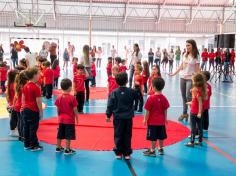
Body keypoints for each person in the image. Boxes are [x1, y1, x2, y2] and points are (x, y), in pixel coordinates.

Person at [106, 72, 136, 160]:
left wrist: (108, 115)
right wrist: (136, 88)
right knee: (127, 134)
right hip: (128, 118)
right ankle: (127, 153)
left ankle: (118, 153)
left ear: (116, 81)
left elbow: (110, 105)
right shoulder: (131, 91)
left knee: (118, 134)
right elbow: (138, 97)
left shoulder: (114, 92)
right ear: (127, 81)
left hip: (118, 118)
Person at [169, 39, 200, 121]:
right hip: (182, 77)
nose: (187, 47)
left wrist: (199, 81)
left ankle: (193, 113)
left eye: (188, 45)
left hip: (190, 78)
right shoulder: (185, 54)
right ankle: (185, 113)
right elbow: (181, 66)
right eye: (186, 45)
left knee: (188, 96)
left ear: (193, 46)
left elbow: (197, 69)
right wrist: (174, 73)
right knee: (183, 97)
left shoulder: (196, 56)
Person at [143, 77, 170, 157]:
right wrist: (165, 119)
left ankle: (152, 151)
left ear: (154, 87)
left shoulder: (150, 98)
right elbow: (165, 109)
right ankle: (161, 149)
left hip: (152, 123)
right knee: (161, 136)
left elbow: (147, 111)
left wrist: (145, 119)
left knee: (153, 137)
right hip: (161, 122)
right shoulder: (164, 98)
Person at [55, 78, 79, 155]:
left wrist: (59, 117)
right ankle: (67, 149)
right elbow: (75, 110)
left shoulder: (59, 98)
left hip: (61, 119)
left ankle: (58, 147)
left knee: (60, 133)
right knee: (68, 135)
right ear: (69, 87)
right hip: (69, 120)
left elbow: (58, 109)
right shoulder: (72, 98)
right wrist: (77, 118)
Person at [22, 67, 43, 151]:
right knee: (33, 128)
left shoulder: (25, 86)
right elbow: (38, 101)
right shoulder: (36, 88)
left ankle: (26, 144)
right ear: (34, 75)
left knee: (26, 127)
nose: (40, 75)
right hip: (33, 110)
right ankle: (34, 145)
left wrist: (23, 107)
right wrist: (41, 111)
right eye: (38, 73)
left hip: (25, 109)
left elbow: (23, 98)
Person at [185, 73, 207, 147]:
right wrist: (191, 102)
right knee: (200, 127)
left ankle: (192, 142)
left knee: (193, 128)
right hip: (198, 112)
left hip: (194, 112)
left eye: (193, 80)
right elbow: (197, 101)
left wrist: (199, 112)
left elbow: (200, 102)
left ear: (195, 81)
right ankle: (200, 141)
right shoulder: (202, 89)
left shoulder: (195, 90)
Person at [13, 71, 28, 141]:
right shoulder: (25, 86)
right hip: (22, 106)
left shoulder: (17, 85)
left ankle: (20, 136)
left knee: (19, 121)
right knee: (23, 122)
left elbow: (15, 97)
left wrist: (13, 104)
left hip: (17, 106)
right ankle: (23, 136)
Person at [6, 70, 18, 136]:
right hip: (14, 104)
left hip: (11, 103)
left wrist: (9, 103)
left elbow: (7, 95)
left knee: (12, 118)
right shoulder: (14, 84)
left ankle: (13, 130)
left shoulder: (9, 83)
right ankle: (13, 131)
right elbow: (16, 96)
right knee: (14, 118)